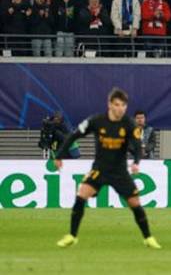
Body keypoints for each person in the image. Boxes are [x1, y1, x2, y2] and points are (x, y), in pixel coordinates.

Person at [52, 88, 161, 249]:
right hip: (100, 169)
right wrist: (59, 155)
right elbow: (74, 135)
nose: (121, 108)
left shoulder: (129, 124)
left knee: (135, 203)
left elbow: (138, 146)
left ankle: (148, 238)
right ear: (110, 105)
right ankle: (72, 235)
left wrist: (137, 162)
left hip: (120, 172)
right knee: (82, 194)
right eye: (117, 104)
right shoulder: (96, 121)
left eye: (124, 105)